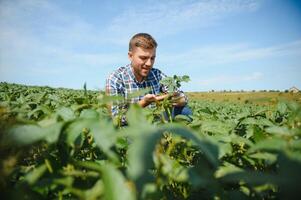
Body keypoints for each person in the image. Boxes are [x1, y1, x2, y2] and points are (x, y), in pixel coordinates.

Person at [105, 33, 192, 123]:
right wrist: (143, 103)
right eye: (143, 58)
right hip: (132, 125)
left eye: (152, 58)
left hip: (156, 120)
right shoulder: (116, 78)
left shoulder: (157, 74)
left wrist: (178, 98)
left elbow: (182, 96)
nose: (149, 64)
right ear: (130, 56)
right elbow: (116, 119)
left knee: (185, 111)